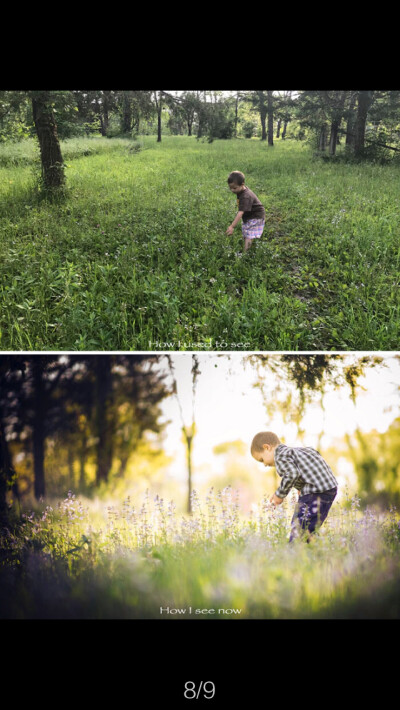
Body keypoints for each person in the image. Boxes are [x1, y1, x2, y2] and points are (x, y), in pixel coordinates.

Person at [251, 431, 338, 542]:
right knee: (310, 526)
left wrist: (279, 494)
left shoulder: (280, 456)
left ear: (267, 447)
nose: (264, 464)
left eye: (262, 459)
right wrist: (301, 488)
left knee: (298, 527)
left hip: (315, 491)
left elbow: (292, 474)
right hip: (329, 487)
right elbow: (307, 465)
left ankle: (294, 552)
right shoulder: (295, 451)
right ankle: (314, 550)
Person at [226, 171, 266, 252]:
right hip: (250, 215)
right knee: (247, 232)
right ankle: (248, 245)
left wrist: (232, 226)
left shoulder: (245, 196)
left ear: (242, 184)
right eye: (230, 188)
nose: (232, 190)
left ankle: (245, 254)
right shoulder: (241, 190)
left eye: (234, 188)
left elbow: (240, 212)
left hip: (255, 216)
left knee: (249, 235)